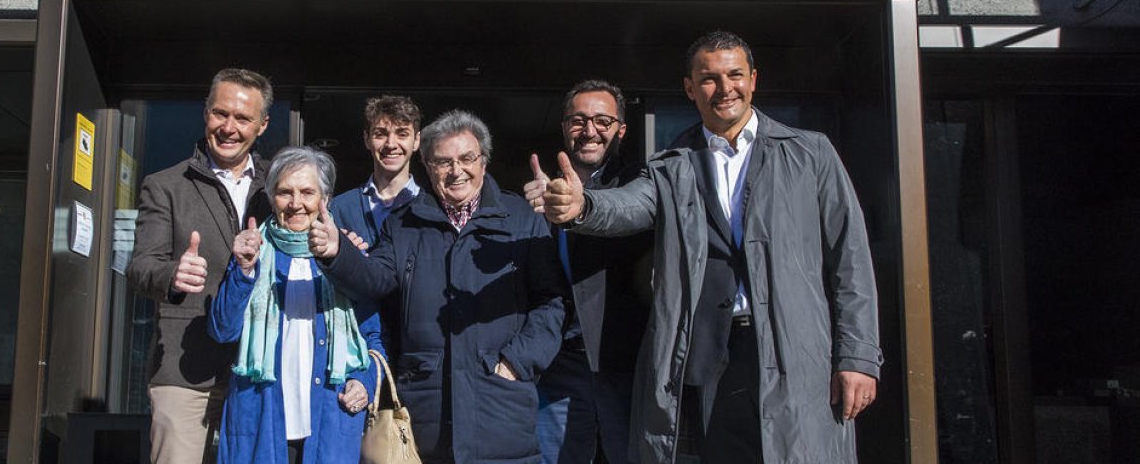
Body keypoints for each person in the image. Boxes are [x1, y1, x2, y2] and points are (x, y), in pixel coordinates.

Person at [540, 31, 882, 464]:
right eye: (708, 79)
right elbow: (628, 205)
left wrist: (857, 357)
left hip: (795, 355)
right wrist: (582, 205)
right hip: (709, 361)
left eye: (734, 75)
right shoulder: (671, 164)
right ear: (689, 88)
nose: (724, 89)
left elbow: (850, 262)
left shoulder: (809, 153)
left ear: (753, 79)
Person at [312, 109, 566, 463]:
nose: (456, 170)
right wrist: (338, 252)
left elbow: (551, 304)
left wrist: (516, 361)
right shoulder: (403, 224)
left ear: (484, 161)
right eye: (443, 162)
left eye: (466, 158)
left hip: (501, 409)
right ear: (428, 167)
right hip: (426, 414)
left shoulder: (522, 219)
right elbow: (376, 279)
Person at [128, 68, 274, 463]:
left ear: (262, 125)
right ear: (205, 113)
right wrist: (171, 273)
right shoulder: (165, 185)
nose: (229, 127)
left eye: (242, 118)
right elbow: (141, 265)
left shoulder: (279, 187)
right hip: (185, 370)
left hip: (260, 371)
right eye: (220, 114)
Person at [209, 146, 383, 464]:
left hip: (330, 420)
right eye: (285, 192)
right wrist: (245, 271)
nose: (296, 203)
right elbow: (222, 331)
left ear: (325, 200)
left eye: (307, 192)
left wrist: (365, 381)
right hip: (261, 420)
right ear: (272, 198)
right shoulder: (252, 250)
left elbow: (373, 340)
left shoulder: (345, 255)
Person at [525, 81, 651, 464]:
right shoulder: (539, 191)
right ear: (565, 127)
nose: (590, 130)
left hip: (624, 363)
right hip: (558, 364)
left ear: (621, 129)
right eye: (578, 121)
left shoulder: (640, 184)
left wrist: (579, 207)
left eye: (602, 120)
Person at [328, 95, 422, 255]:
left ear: (416, 141)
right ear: (366, 139)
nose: (391, 144)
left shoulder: (432, 206)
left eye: (402, 134)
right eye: (381, 134)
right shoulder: (340, 208)